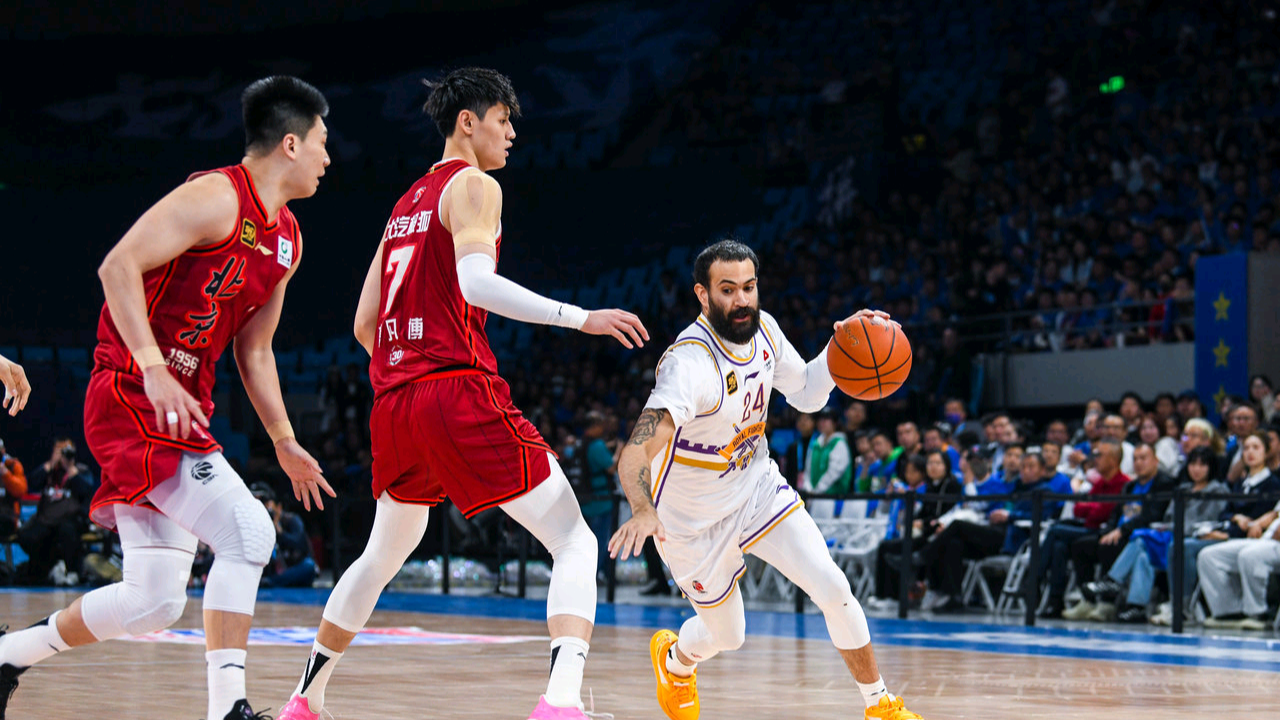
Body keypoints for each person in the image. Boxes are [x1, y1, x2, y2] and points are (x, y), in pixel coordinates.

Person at [277, 68, 648, 720]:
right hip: (454, 388)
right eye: (504, 119)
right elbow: (476, 286)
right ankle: (560, 706)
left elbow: (365, 325)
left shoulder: (403, 206)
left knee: (379, 555)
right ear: (468, 122)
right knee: (575, 541)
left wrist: (410, 369)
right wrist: (580, 317)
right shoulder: (474, 185)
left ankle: (306, 699)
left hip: (395, 403)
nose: (511, 134)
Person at [0, 76, 335, 720]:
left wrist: (285, 440)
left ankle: (10, 653)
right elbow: (116, 266)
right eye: (322, 142)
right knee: (248, 531)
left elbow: (255, 351)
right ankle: (227, 710)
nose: (329, 156)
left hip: (178, 406)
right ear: (289, 144)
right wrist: (153, 366)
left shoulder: (288, 239)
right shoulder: (214, 195)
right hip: (131, 391)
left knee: (153, 600)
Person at [608, 240, 923, 720]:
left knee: (832, 586)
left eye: (749, 287)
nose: (742, 300)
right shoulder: (689, 366)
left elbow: (808, 395)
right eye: (728, 289)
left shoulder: (766, 331)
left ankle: (879, 704)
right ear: (703, 294)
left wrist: (844, 346)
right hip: (692, 521)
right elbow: (636, 449)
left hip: (756, 489)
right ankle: (675, 661)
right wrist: (643, 508)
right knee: (728, 636)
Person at [17, 439, 96, 586]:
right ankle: (44, 569)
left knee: (67, 531)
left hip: (69, 521)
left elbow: (87, 491)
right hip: (45, 520)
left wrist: (72, 472)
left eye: (66, 451)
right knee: (27, 535)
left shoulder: (80, 471)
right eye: (59, 451)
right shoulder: (49, 471)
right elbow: (30, 484)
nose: (63, 455)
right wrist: (50, 465)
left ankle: (73, 571)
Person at [253, 482, 318, 588]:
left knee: (308, 565)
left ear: (278, 507)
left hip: (294, 568)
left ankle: (271, 582)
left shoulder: (291, 520)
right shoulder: (258, 524)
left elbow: (299, 543)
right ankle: (271, 581)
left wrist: (279, 531)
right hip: (274, 571)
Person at [804, 407, 852, 518]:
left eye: (826, 419)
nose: (822, 423)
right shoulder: (815, 444)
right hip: (814, 497)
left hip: (832, 498)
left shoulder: (839, 443)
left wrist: (817, 490)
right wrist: (809, 488)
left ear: (835, 423)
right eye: (820, 420)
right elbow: (808, 470)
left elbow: (834, 473)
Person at [0, 439, 27, 537]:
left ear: (3, 450)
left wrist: (5, 474)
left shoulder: (13, 465)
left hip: (8, 517)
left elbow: (20, 491)